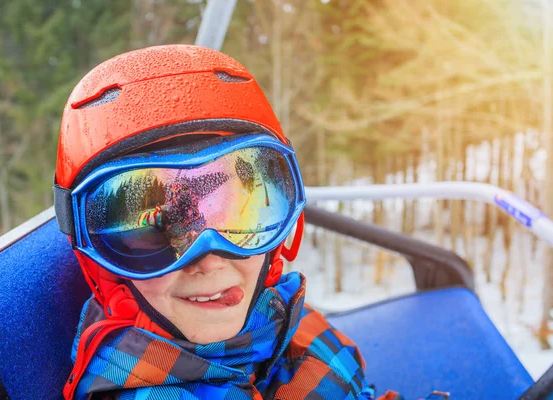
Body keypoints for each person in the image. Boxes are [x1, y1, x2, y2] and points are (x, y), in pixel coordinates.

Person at [53, 45, 400, 400]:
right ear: (104, 268)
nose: (210, 259)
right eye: (162, 237)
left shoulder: (277, 311)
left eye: (238, 214)